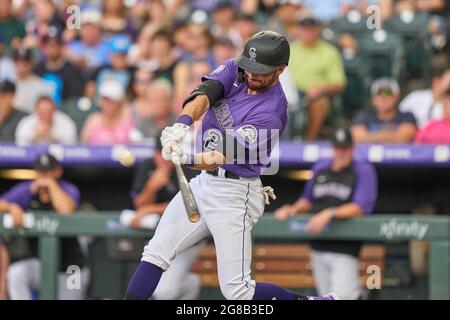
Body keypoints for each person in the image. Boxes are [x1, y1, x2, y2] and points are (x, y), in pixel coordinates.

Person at [124, 31, 338, 300]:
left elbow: (221, 155)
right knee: (155, 251)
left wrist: (185, 158)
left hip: (235, 193)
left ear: (281, 70)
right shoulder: (237, 68)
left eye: (260, 71)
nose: (251, 74)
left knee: (238, 291)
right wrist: (182, 124)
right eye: (249, 67)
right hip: (203, 185)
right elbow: (205, 93)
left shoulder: (272, 112)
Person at [275, 128, 378, 299]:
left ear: (352, 148)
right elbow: (308, 199)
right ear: (333, 148)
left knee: (341, 296)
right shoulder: (321, 167)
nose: (341, 153)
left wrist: (329, 213)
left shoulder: (362, 170)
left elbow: (361, 207)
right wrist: (293, 209)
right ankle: (359, 292)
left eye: (345, 148)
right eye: (338, 148)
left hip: (345, 247)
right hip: (318, 245)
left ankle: (360, 293)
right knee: (325, 296)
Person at [0, 153, 88, 300]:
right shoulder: (28, 190)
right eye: (40, 171)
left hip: (71, 268)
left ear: (57, 171)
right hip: (42, 265)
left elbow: (66, 211)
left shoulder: (67, 189)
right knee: (16, 273)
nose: (43, 176)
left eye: (47, 172)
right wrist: (12, 206)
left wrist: (51, 185)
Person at [129, 138, 202, 300]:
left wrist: (150, 209)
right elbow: (138, 204)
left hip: (186, 236)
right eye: (162, 154)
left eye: (171, 154)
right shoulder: (148, 166)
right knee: (156, 288)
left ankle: (185, 283)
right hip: (157, 235)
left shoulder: (188, 165)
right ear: (156, 153)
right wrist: (152, 187)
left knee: (163, 293)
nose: (166, 159)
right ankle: (188, 283)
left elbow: (191, 206)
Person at [289, 14, 347, 139]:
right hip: (290, 92)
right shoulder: (289, 49)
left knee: (320, 103)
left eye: (312, 28)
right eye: (305, 28)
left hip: (314, 94)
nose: (308, 32)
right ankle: (279, 143)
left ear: (318, 30)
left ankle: (309, 141)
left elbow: (339, 83)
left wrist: (321, 88)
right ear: (298, 30)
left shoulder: (329, 51)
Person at [351, 77, 417, 143]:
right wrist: (388, 136)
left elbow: (404, 137)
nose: (383, 99)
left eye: (388, 94)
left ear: (397, 97)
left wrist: (370, 136)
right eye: (379, 95)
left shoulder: (406, 116)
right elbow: (356, 137)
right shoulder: (363, 116)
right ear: (373, 99)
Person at [34, 27, 86, 106]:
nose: (51, 47)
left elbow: (75, 99)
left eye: (56, 43)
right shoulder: (37, 70)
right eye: (48, 43)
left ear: (62, 46)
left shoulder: (73, 71)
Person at [81, 78, 135, 145]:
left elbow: (134, 146)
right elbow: (83, 146)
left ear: (119, 102)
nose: (108, 103)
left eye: (113, 100)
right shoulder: (93, 121)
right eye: (105, 99)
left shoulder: (127, 122)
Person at [399, 65, 450, 129]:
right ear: (436, 81)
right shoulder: (415, 97)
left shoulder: (447, 107)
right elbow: (398, 117)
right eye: (449, 83)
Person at [12, 47, 53, 114]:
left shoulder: (43, 86)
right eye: (18, 60)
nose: (22, 63)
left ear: (32, 62)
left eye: (25, 60)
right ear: (13, 62)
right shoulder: (6, 85)